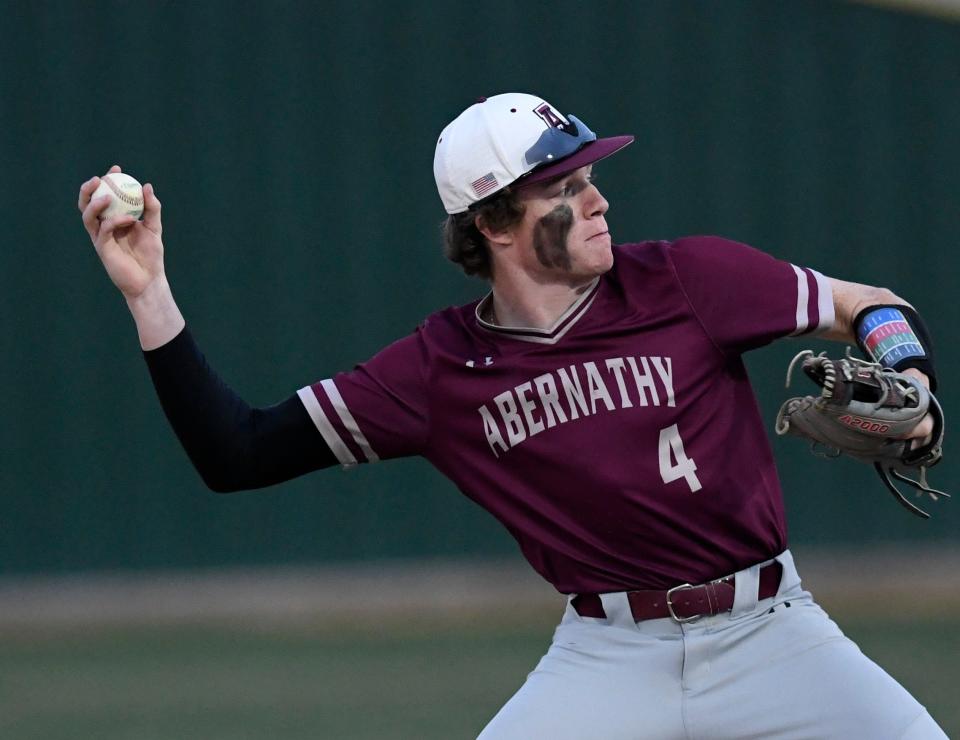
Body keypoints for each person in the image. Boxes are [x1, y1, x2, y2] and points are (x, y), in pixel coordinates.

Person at [78, 92, 946, 739]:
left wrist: (916, 389)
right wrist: (150, 293)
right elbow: (239, 454)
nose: (599, 199)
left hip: (774, 634)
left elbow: (870, 305)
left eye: (592, 176)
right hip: (610, 656)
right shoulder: (438, 369)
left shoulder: (685, 278)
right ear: (493, 222)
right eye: (566, 186)